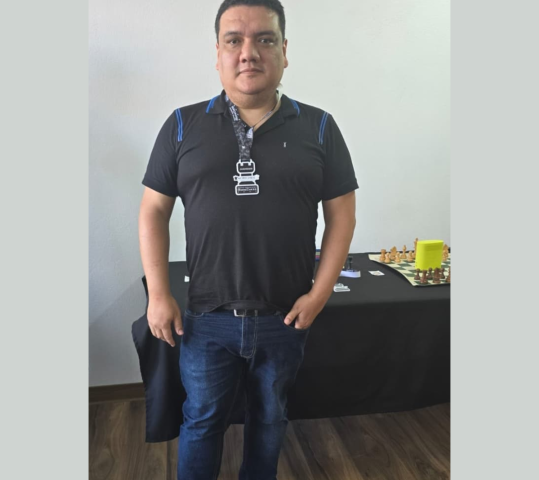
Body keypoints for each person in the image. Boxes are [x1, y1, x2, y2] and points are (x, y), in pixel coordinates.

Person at [138, 0, 358, 478]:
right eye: (234, 40)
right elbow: (153, 209)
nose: (248, 52)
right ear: (217, 53)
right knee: (202, 421)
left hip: (285, 317)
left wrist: (320, 294)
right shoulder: (182, 125)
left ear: (284, 51)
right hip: (205, 318)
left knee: (270, 419)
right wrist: (158, 293)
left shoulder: (320, 127)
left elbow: (342, 215)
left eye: (265, 39)